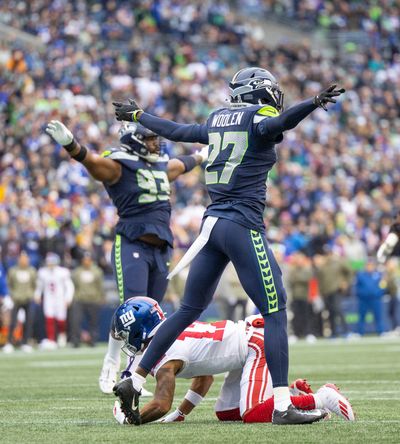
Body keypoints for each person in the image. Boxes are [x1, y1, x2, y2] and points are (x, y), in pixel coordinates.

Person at [112, 68, 345, 424]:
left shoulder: (218, 118)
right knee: (275, 310)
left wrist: (139, 115)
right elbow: (278, 124)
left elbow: (178, 131)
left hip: (213, 225)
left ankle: (134, 377)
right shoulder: (259, 115)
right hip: (241, 224)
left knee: (188, 308)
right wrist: (312, 104)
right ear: (259, 93)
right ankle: (282, 405)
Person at [45, 120, 208, 393]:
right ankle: (110, 361)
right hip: (132, 242)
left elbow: (180, 165)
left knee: (153, 315)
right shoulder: (120, 165)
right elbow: (92, 162)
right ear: (135, 140)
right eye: (150, 138)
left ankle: (132, 374)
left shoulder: (159, 166)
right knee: (131, 308)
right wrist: (70, 143)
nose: (157, 143)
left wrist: (203, 155)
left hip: (161, 248)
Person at [111, 297, 354, 425]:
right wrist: (181, 413)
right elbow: (204, 375)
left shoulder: (163, 356)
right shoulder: (169, 336)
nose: (124, 340)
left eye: (124, 333)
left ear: (139, 329)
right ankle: (294, 391)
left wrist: (133, 418)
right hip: (245, 346)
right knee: (226, 412)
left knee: (252, 413)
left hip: (254, 343)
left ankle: (322, 397)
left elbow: (160, 404)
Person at [35, 252, 74, 349]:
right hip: (48, 298)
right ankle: (51, 340)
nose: (50, 264)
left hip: (60, 298)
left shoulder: (63, 272)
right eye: (49, 262)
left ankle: (62, 335)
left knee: (61, 319)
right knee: (49, 318)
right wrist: (37, 294)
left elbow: (69, 286)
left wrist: (68, 298)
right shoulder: (43, 272)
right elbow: (39, 286)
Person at [4, 251, 37, 352]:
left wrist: (31, 294)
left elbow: (34, 284)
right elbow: (9, 284)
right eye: (22, 258)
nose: (23, 261)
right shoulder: (13, 271)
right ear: (19, 259)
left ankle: (25, 342)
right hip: (16, 299)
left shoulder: (32, 271)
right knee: (12, 322)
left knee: (28, 322)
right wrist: (12, 295)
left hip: (27, 299)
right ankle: (9, 342)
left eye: (25, 259)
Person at [70, 252, 104, 347]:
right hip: (79, 299)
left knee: (93, 322)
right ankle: (75, 341)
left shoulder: (97, 271)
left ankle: (93, 340)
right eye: (85, 259)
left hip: (93, 299)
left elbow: (100, 286)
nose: (86, 261)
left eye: (88, 259)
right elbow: (73, 286)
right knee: (76, 321)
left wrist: (101, 297)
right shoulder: (77, 272)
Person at [355, 258, 385, 336]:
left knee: (378, 316)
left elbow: (382, 286)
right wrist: (361, 294)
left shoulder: (378, 275)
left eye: (371, 265)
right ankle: (360, 333)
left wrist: (379, 293)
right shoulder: (361, 275)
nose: (369, 267)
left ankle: (380, 332)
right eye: (368, 265)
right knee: (362, 317)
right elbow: (357, 287)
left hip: (375, 299)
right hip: (364, 300)